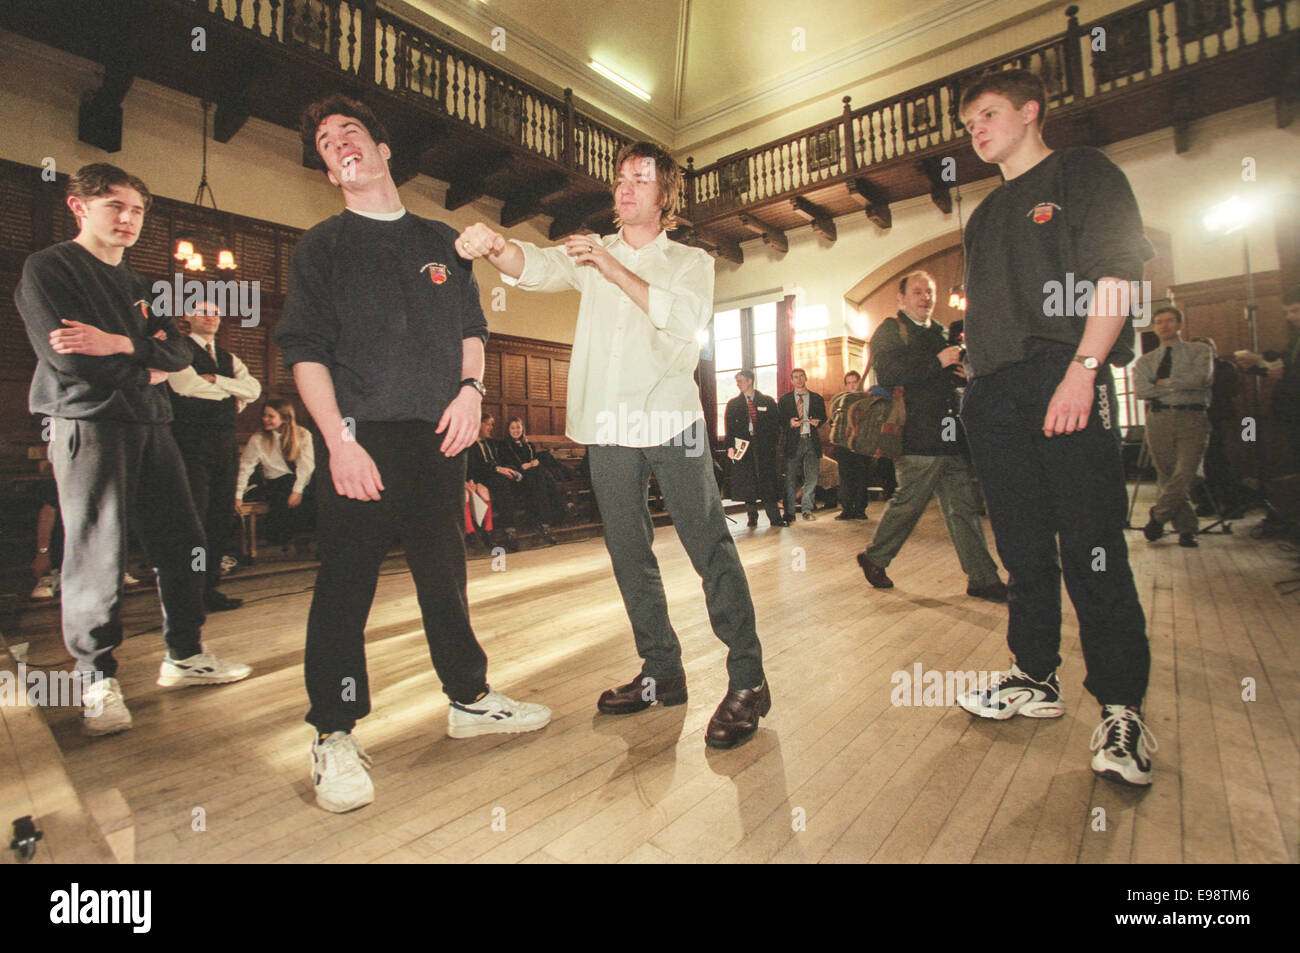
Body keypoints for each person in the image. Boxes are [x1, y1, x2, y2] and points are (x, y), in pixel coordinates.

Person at [276, 94, 551, 813]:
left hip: (440, 434)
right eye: (327, 141)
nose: (340, 144)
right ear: (330, 170)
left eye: (351, 132)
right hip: (359, 438)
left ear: (382, 150)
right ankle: (334, 730)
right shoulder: (322, 247)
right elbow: (304, 354)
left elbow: (471, 327)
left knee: (445, 574)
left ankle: (469, 697)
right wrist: (337, 440)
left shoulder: (438, 239)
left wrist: (471, 391)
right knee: (345, 587)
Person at [458, 139, 770, 749]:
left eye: (641, 179)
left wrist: (611, 267)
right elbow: (537, 267)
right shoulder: (589, 251)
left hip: (672, 424)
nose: (625, 188)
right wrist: (498, 246)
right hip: (607, 427)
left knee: (709, 548)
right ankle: (662, 672)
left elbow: (685, 323)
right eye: (621, 178)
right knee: (630, 554)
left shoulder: (690, 262)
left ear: (665, 197)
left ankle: (748, 680)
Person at [953, 69, 1158, 787]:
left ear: (1031, 110)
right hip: (994, 394)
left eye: (988, 113)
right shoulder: (980, 217)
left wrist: (1084, 369)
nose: (976, 129)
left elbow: (1115, 275)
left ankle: (1123, 709)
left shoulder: (1082, 172)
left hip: (1064, 373)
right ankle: (1034, 674)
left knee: (1092, 545)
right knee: (1021, 546)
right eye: (968, 121)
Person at [15, 163, 251, 736]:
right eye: (114, 207)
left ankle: (185, 655)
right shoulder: (50, 269)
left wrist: (122, 344)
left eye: (137, 211)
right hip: (90, 423)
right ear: (80, 207)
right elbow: (70, 358)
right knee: (99, 551)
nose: (127, 220)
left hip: (153, 425)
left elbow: (181, 354)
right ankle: (97, 678)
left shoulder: (142, 285)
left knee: (186, 541)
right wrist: (146, 361)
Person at [854, 271, 1007, 600]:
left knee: (962, 507)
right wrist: (938, 361)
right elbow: (891, 372)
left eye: (930, 292)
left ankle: (981, 577)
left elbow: (941, 378)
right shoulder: (890, 331)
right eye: (918, 292)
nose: (926, 298)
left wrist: (960, 374)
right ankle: (875, 557)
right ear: (902, 298)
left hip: (949, 433)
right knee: (909, 504)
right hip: (916, 433)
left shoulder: (939, 330)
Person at [169, 300, 262, 607]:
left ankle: (208, 589)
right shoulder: (177, 350)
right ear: (187, 317)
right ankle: (187, 593)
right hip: (189, 445)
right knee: (193, 518)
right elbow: (185, 386)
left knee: (218, 519)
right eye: (203, 312)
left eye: (215, 313)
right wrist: (230, 394)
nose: (211, 318)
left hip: (224, 446)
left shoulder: (227, 358)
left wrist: (217, 381)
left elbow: (254, 390)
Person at [1133, 306, 1213, 547]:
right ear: (1154, 326)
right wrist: (1178, 383)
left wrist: (1162, 383)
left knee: (1186, 472)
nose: (1164, 326)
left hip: (1192, 417)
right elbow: (1142, 391)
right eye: (1159, 322)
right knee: (1167, 475)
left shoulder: (1200, 351)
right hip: (1159, 418)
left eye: (1169, 321)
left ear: (1180, 324)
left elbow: (1201, 380)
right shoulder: (1145, 361)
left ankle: (1158, 515)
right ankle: (1187, 529)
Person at [235, 398, 316, 548]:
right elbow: (245, 468)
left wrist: (297, 491)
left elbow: (306, 466)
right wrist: (238, 495)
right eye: (264, 415)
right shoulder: (258, 439)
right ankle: (287, 536)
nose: (265, 419)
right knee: (282, 496)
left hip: (300, 479)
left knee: (318, 491)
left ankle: (314, 539)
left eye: (270, 416)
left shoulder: (303, 434)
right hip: (276, 483)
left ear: (285, 418)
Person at [1236, 284, 1300, 474]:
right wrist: (1256, 366)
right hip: (1293, 412)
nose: (1290, 317)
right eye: (1287, 312)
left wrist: (1282, 373)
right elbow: (1285, 365)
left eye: (1295, 311)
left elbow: (1288, 372)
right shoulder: (1296, 337)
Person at [1190, 336, 1245, 515]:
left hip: (1218, 418)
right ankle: (1207, 503)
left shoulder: (1224, 367)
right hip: (1196, 419)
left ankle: (1232, 504)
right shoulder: (1192, 369)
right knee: (1201, 463)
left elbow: (1232, 390)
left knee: (1219, 462)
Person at [723, 369, 784, 528]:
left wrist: (772, 443)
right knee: (747, 481)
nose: (738, 384)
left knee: (767, 481)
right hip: (743, 447)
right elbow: (728, 429)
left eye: (740, 380)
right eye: (737, 381)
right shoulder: (733, 404)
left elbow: (776, 425)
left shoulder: (767, 401)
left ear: (750, 380)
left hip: (764, 447)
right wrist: (730, 447)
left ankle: (775, 518)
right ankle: (752, 517)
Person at [466, 413, 525, 550]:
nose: (491, 427)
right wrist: (497, 469)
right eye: (488, 424)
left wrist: (510, 470)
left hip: (495, 475)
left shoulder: (492, 442)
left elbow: (502, 460)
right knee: (501, 483)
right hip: (482, 477)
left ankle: (512, 527)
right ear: (479, 424)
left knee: (515, 480)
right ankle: (509, 530)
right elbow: (474, 467)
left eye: (492, 424)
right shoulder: (469, 443)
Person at [500, 416, 566, 536]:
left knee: (540, 473)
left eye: (518, 427)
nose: (516, 430)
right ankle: (557, 512)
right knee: (543, 477)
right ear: (508, 430)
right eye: (513, 428)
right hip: (518, 478)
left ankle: (546, 520)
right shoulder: (504, 446)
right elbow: (507, 464)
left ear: (522, 429)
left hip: (533, 477)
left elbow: (532, 458)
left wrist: (535, 462)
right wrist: (521, 467)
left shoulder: (529, 445)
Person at [778, 368, 827, 521]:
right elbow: (778, 420)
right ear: (791, 381)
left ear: (806, 378)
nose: (798, 380)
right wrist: (789, 423)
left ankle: (807, 509)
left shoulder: (817, 398)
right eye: (795, 377)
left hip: (811, 440)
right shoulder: (785, 399)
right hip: (793, 443)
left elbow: (823, 417)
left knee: (812, 477)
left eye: (801, 377)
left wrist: (817, 422)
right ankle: (790, 512)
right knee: (790, 478)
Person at [830, 370, 871, 520]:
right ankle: (846, 509)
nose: (853, 385)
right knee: (845, 478)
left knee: (861, 478)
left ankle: (860, 510)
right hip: (843, 444)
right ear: (846, 385)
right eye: (849, 383)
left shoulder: (868, 399)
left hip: (862, 444)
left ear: (859, 382)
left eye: (855, 382)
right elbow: (832, 419)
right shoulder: (839, 399)